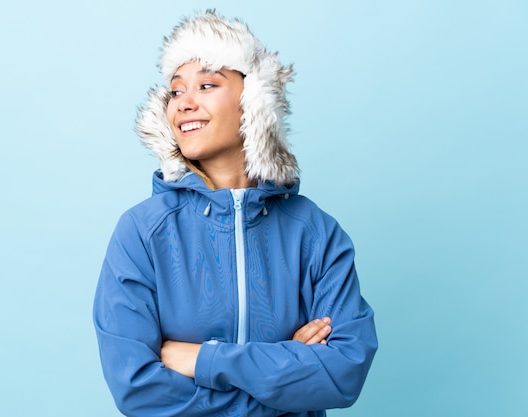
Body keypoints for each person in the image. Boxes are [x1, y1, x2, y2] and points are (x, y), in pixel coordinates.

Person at [93, 10, 377, 417]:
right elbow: (137, 389)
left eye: (207, 85)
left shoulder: (315, 233)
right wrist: (287, 368)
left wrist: (202, 361)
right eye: (175, 92)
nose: (184, 104)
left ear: (254, 102)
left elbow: (344, 372)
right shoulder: (142, 232)